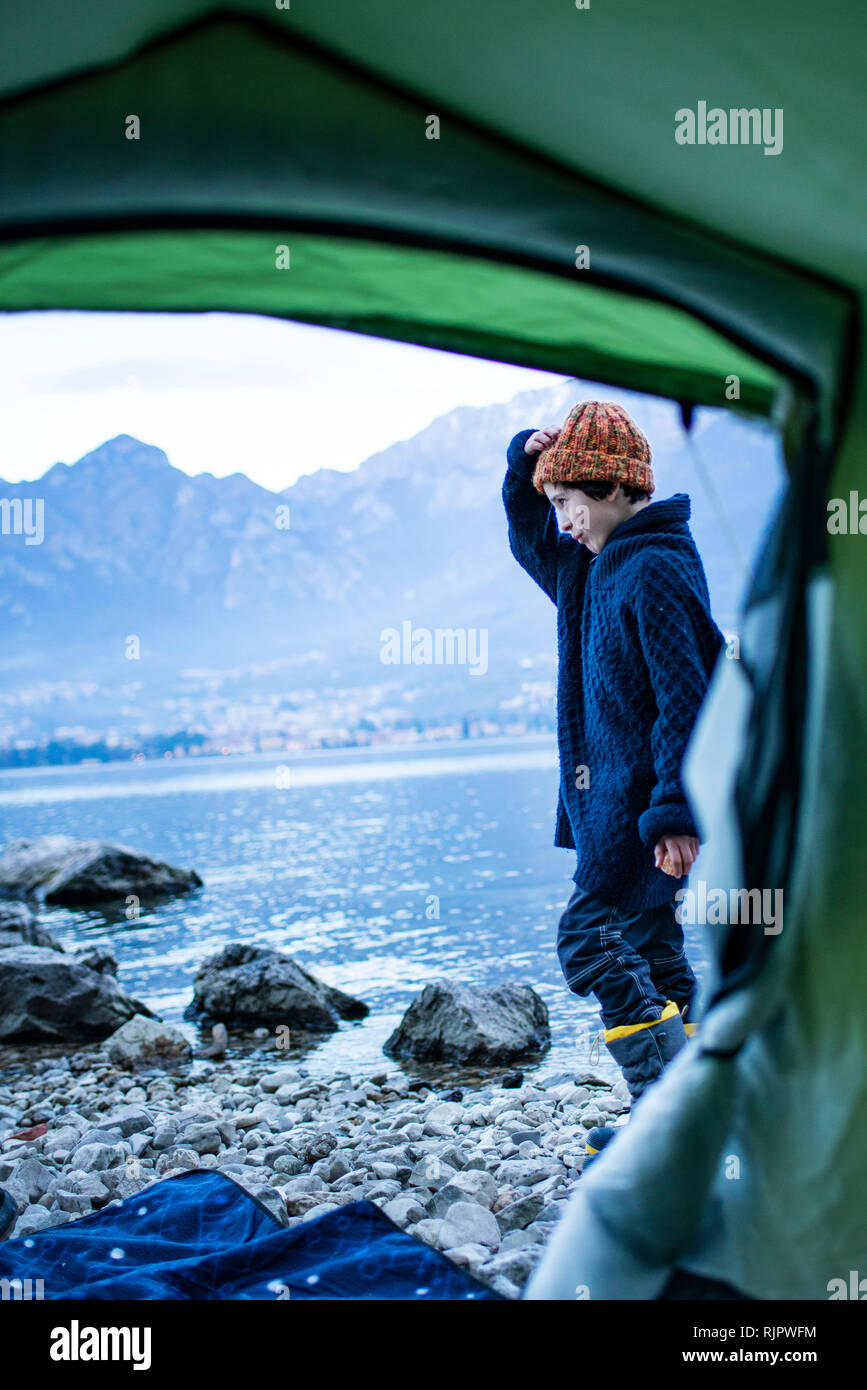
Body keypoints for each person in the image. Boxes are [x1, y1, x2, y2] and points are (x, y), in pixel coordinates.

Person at [502, 400, 724, 1147]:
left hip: (644, 813)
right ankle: (697, 1117)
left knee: (587, 940)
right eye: (554, 504)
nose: (560, 520)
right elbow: (533, 543)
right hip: (617, 810)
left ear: (609, 489)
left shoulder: (653, 568)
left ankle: (665, 1129)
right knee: (655, 950)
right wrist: (518, 469)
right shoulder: (591, 567)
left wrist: (675, 814)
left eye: (568, 502)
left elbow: (685, 700)